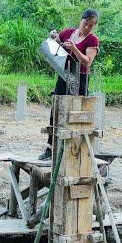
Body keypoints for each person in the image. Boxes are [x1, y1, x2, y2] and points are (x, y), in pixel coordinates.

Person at [38, 8, 100, 161]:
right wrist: (54, 36)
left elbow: (87, 61)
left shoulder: (92, 40)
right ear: (81, 20)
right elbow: (57, 40)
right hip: (64, 75)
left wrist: (74, 49)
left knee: (76, 112)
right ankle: (50, 148)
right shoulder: (68, 32)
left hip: (80, 79)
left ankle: (74, 150)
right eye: (86, 23)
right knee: (57, 110)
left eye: (91, 25)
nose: (87, 27)